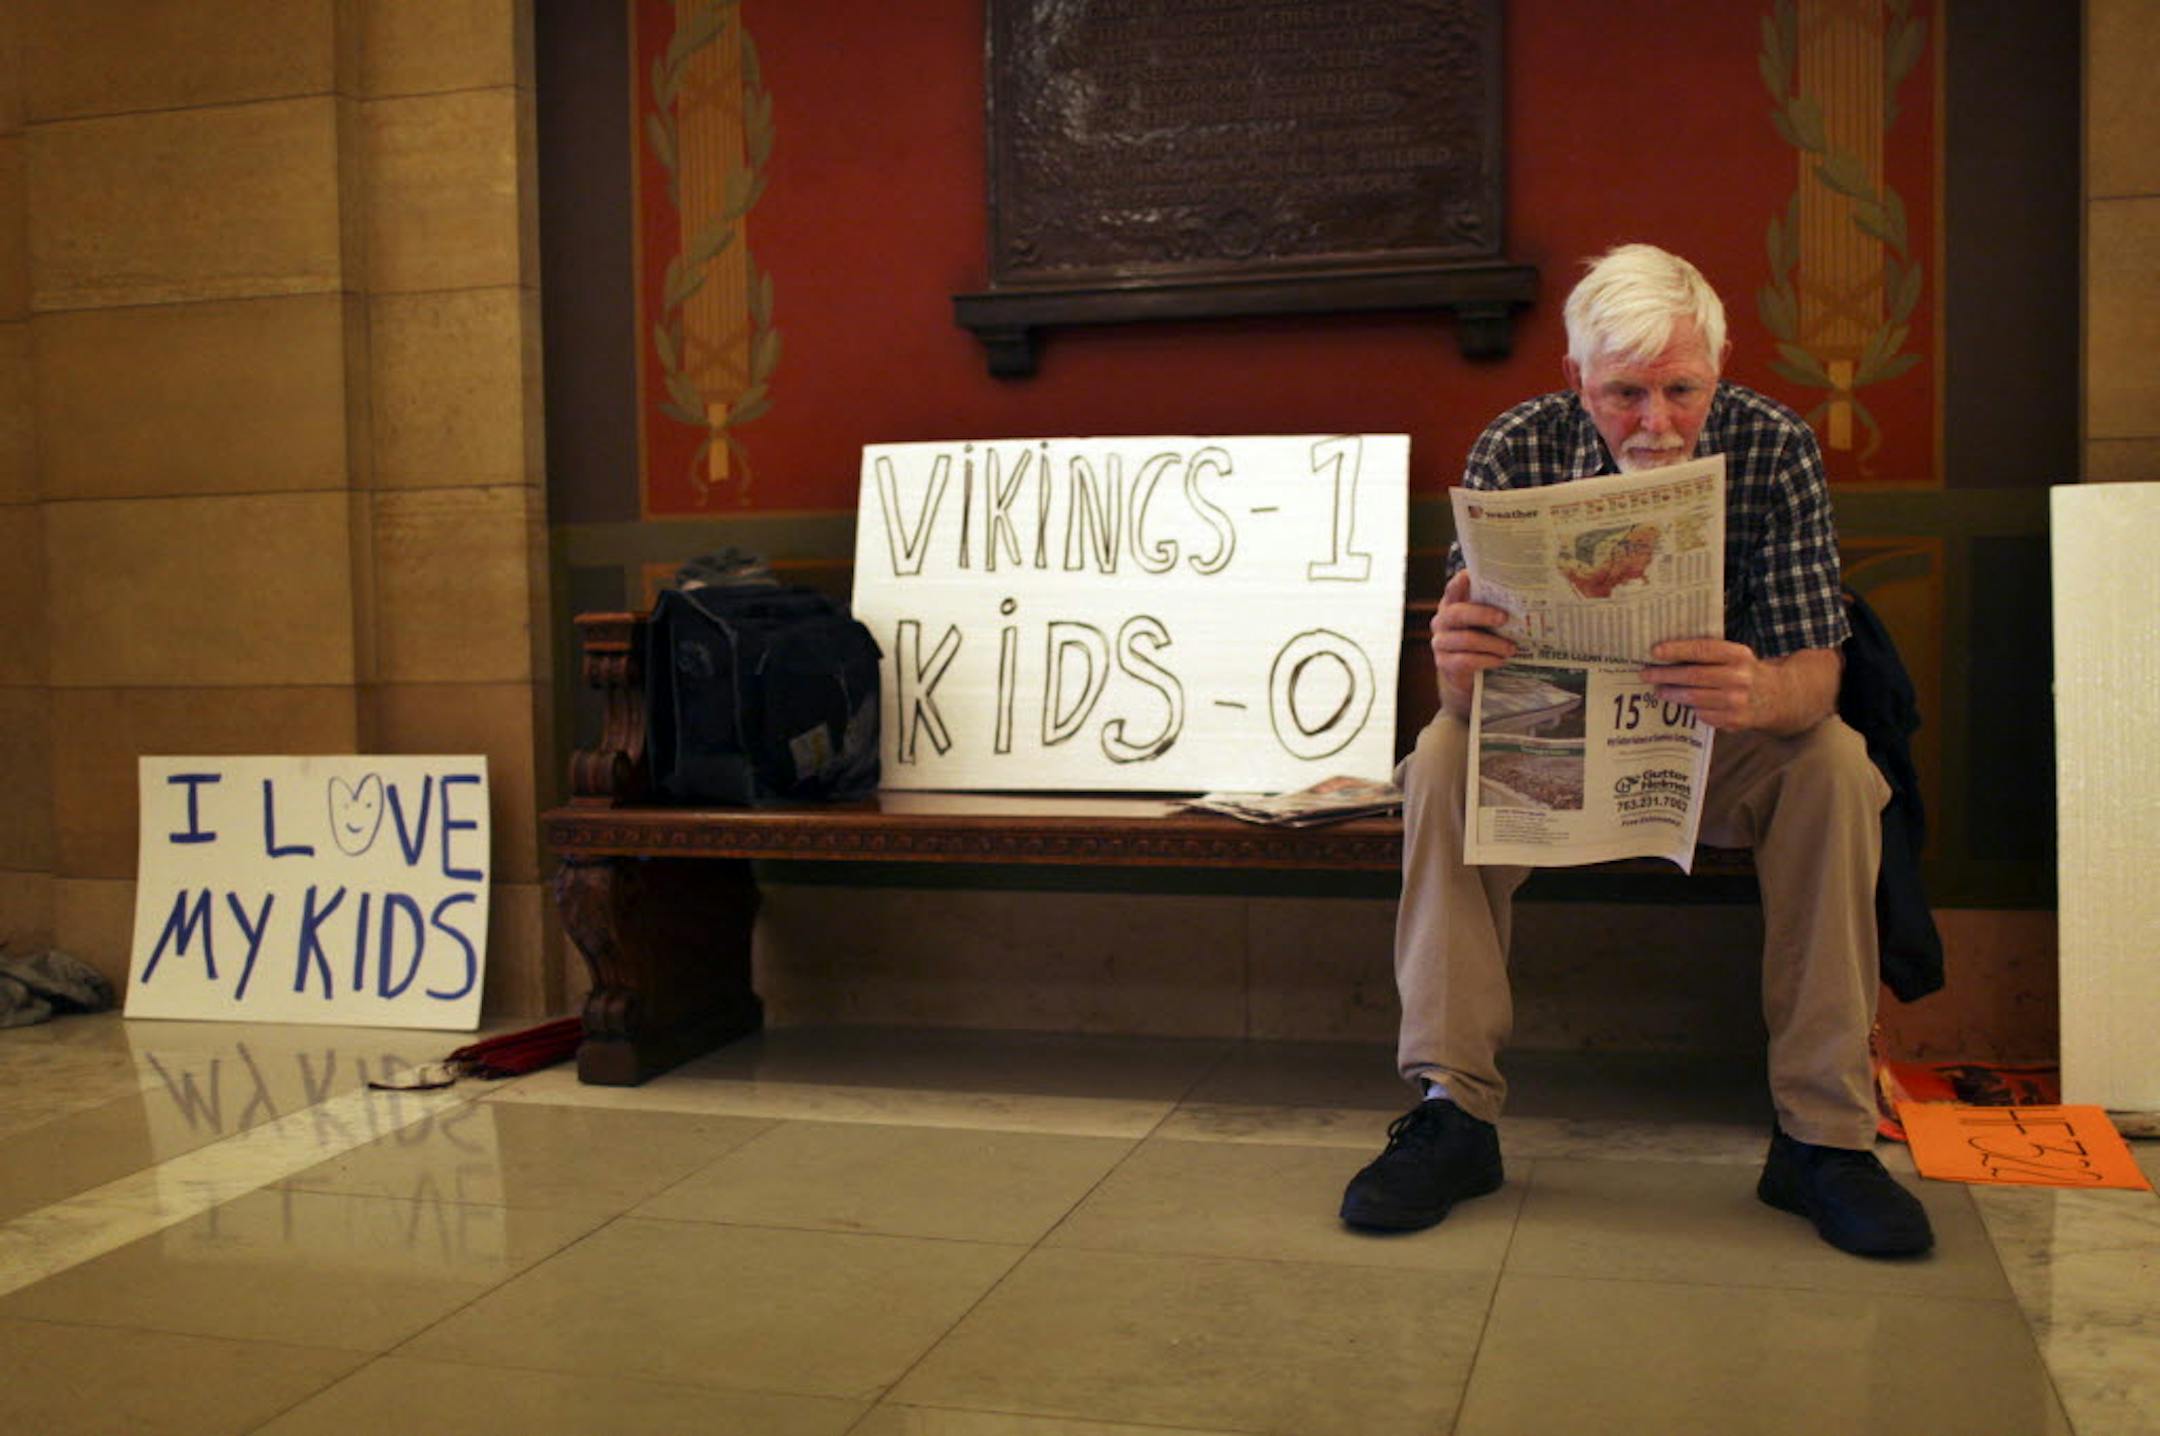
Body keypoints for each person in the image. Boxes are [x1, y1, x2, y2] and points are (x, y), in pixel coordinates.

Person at [1339, 244, 1933, 1258]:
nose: (1656, 423)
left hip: (1723, 746)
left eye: (1680, 389)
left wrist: (1758, 686)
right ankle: (1454, 1111)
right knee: (1439, 757)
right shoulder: (1516, 447)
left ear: (1721, 366)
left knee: (1835, 761)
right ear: (1577, 379)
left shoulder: (1773, 444)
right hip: (1558, 747)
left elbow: (1821, 675)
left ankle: (1822, 1140)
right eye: (1623, 393)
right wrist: (1453, 661)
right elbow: (1466, 699)